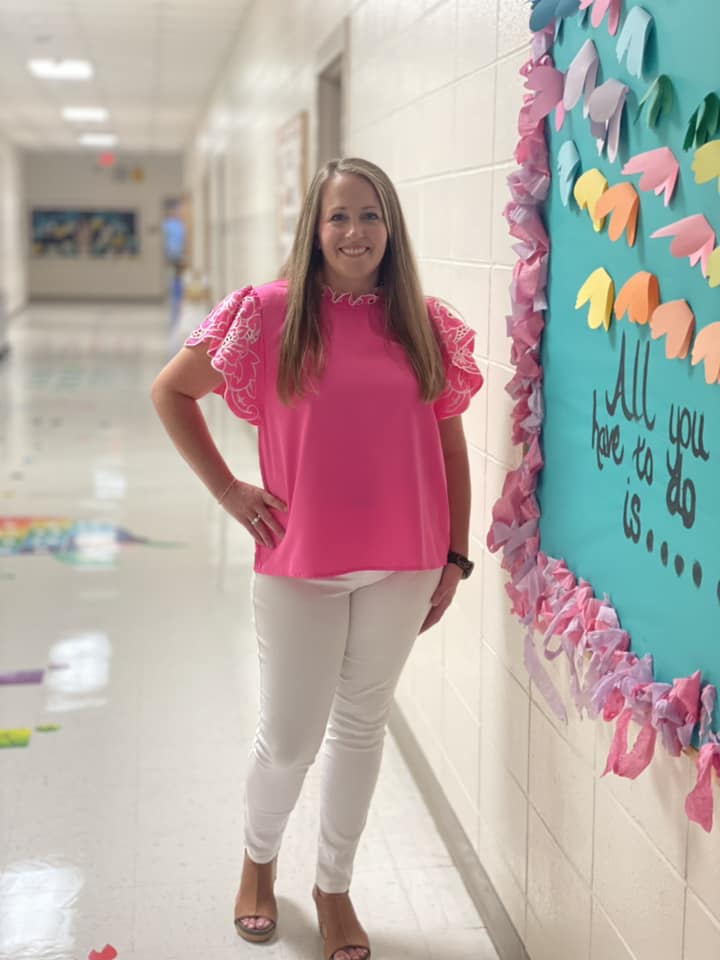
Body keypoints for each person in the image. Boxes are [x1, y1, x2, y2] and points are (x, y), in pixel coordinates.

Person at [150, 157, 483, 960]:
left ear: (391, 226)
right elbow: (171, 390)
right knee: (291, 739)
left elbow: (449, 445)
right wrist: (231, 491)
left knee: (362, 730)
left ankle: (334, 887)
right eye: (338, 217)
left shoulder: (424, 324)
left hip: (404, 561)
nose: (355, 232)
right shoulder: (266, 315)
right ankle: (258, 864)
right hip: (299, 561)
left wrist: (455, 555)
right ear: (314, 228)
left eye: (370, 216)